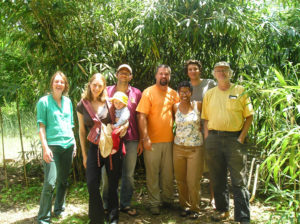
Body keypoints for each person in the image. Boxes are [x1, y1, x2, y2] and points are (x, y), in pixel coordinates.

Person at [202, 62, 254, 224]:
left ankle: (243, 217)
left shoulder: (240, 91)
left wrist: (241, 138)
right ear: (214, 74)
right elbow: (205, 119)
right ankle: (222, 210)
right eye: (218, 70)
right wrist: (207, 138)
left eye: (224, 70)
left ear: (230, 73)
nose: (221, 73)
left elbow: (249, 116)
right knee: (218, 178)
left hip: (234, 140)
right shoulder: (210, 94)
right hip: (214, 139)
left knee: (238, 179)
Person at [77, 73, 127, 224]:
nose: (97, 88)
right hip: (94, 147)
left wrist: (124, 127)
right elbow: (81, 130)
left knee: (112, 183)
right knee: (92, 183)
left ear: (104, 87)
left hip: (112, 147)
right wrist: (84, 156)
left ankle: (113, 217)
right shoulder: (82, 104)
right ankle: (96, 217)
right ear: (89, 84)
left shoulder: (110, 102)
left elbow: (124, 117)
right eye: (94, 85)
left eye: (100, 85)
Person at [136, 64, 179, 215]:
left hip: (170, 141)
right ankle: (154, 203)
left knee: (168, 174)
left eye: (166, 74)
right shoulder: (148, 92)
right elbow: (141, 116)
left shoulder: (174, 94)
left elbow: (179, 114)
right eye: (161, 73)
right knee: (152, 174)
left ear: (169, 76)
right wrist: (145, 137)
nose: (163, 76)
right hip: (152, 141)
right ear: (156, 76)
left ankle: (167, 200)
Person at [37, 71, 76, 224]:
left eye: (62, 82)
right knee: (50, 182)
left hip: (68, 145)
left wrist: (74, 143)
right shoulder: (44, 102)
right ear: (52, 83)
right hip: (52, 146)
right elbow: (41, 127)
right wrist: (45, 148)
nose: (59, 84)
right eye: (56, 81)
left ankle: (59, 209)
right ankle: (44, 218)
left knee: (63, 181)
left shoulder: (68, 102)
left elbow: (71, 125)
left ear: (65, 85)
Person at [102, 64, 142, 216]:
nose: (124, 75)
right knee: (107, 173)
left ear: (131, 76)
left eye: (127, 73)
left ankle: (125, 204)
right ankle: (107, 204)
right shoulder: (107, 91)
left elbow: (140, 116)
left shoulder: (136, 93)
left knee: (128, 174)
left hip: (131, 138)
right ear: (116, 75)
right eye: (121, 72)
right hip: (110, 138)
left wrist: (141, 140)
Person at [185, 59, 216, 206]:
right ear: (187, 72)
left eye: (195, 69)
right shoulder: (186, 86)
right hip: (191, 132)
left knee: (211, 165)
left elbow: (217, 103)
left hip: (209, 130)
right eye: (190, 69)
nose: (193, 71)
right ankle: (194, 199)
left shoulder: (209, 84)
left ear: (200, 70)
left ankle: (214, 197)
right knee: (195, 166)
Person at [172, 81, 203, 219]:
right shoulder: (175, 107)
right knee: (180, 179)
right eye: (181, 91)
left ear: (191, 92)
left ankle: (195, 207)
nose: (184, 94)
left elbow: (206, 121)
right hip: (178, 148)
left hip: (195, 148)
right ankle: (184, 206)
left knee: (193, 180)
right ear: (178, 93)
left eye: (187, 91)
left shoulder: (198, 105)